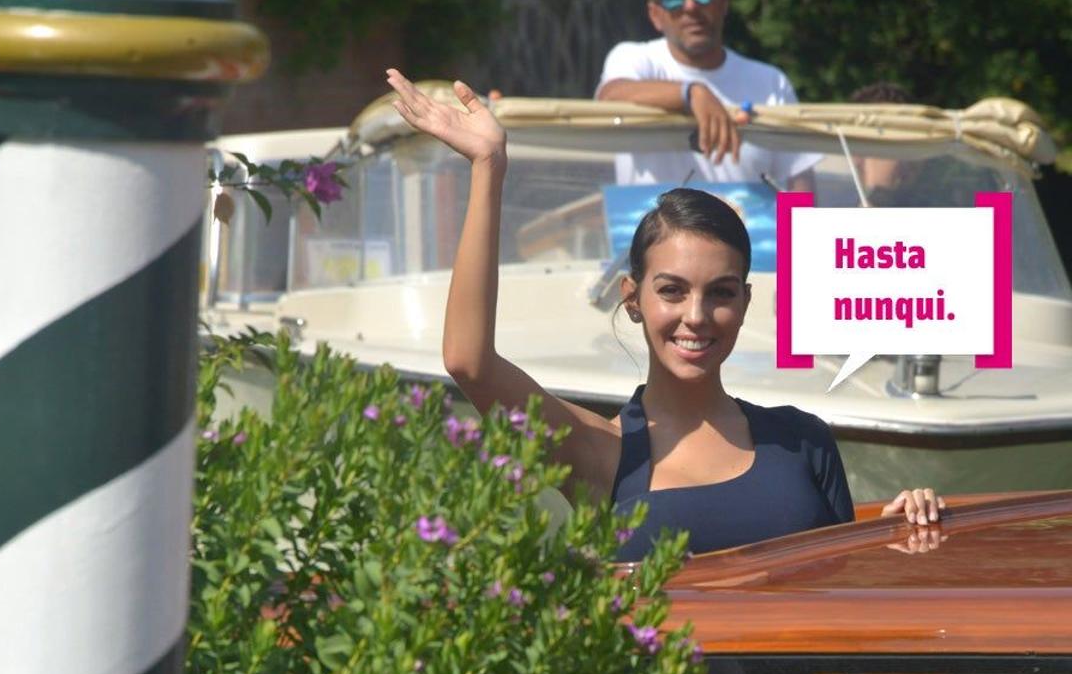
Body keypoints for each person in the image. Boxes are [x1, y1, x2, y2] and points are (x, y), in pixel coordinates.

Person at [385, 68, 943, 560]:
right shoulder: (602, 453)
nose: (696, 316)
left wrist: (895, 536)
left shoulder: (803, 441)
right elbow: (469, 363)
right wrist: (489, 166)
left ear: (744, 304)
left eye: (721, 293)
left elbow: (846, 627)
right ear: (633, 298)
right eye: (672, 290)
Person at [596, 0, 815, 188]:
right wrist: (691, 93)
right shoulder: (634, 59)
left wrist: (791, 224)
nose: (690, 6)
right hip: (652, 222)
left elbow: (796, 183)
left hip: (747, 223)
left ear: (723, 0)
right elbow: (610, 97)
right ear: (655, 15)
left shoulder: (771, 82)